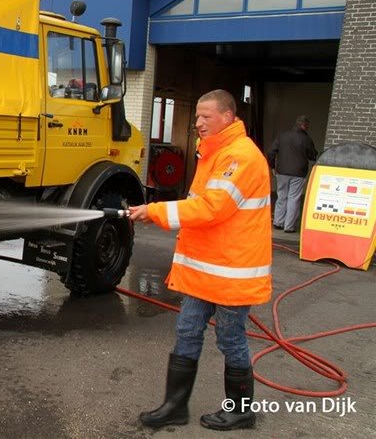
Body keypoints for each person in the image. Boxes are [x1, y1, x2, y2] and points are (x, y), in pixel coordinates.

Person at [129, 89, 272, 431]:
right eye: (197, 118)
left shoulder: (241, 157)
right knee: (187, 330)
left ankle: (240, 411)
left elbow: (212, 208)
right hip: (206, 268)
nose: (199, 123)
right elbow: (200, 206)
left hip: (231, 271)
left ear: (227, 116)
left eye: (206, 117)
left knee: (230, 338)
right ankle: (175, 407)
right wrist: (158, 214)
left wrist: (156, 210)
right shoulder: (214, 153)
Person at [267, 116, 318, 233]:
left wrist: (273, 167)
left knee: (281, 196)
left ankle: (278, 222)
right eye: (307, 127)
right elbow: (313, 155)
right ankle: (289, 227)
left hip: (282, 172)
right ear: (304, 125)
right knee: (293, 199)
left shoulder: (282, 136)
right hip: (299, 173)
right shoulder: (306, 139)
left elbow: (270, 152)